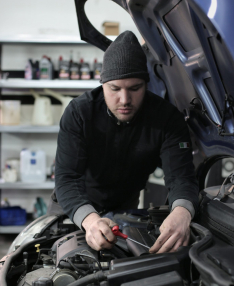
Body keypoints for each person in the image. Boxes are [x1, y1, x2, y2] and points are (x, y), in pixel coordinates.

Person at [50, 31, 199, 254]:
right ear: (102, 84)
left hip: (124, 211)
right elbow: (67, 178)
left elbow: (181, 176)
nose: (125, 100)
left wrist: (181, 212)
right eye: (115, 89)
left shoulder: (167, 119)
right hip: (73, 209)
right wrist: (90, 221)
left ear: (146, 84)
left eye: (135, 88)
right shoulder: (79, 113)